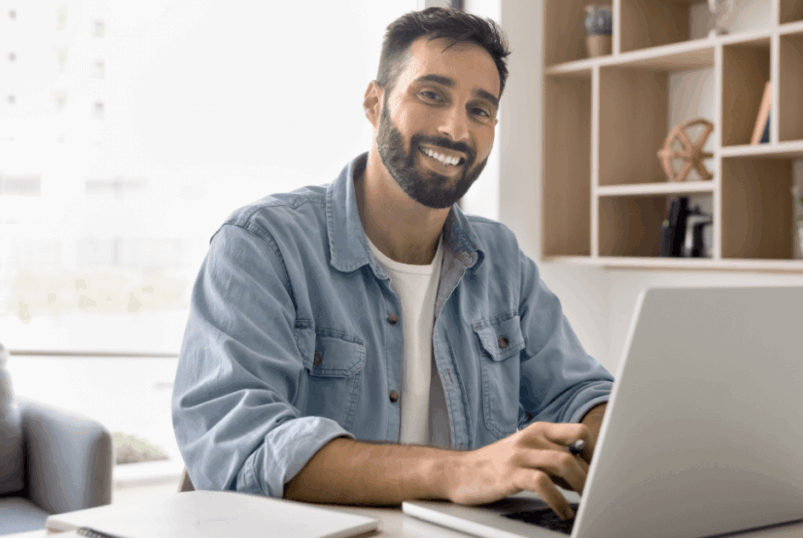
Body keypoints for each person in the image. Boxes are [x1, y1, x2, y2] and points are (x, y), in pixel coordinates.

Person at [172, 7, 613, 521]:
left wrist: (614, 433)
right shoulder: (262, 244)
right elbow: (240, 445)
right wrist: (459, 471)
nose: (455, 128)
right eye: (432, 95)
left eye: (479, 110)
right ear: (374, 103)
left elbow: (578, 393)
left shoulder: (501, 260)